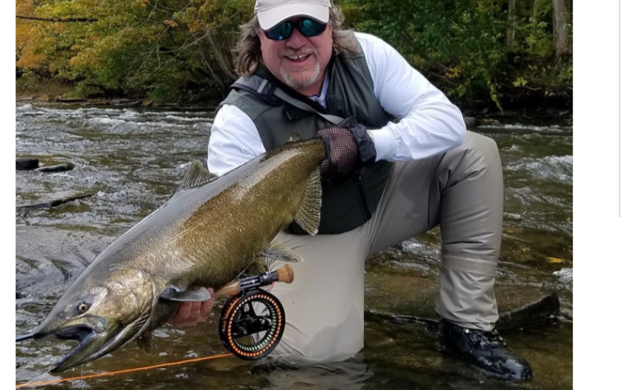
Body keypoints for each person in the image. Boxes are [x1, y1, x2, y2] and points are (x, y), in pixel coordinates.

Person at [169, 0, 533, 382]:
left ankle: (467, 326)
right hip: (310, 239)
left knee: (473, 154)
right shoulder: (238, 119)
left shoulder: (368, 55)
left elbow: (447, 121)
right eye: (279, 30)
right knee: (316, 367)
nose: (296, 40)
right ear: (258, 37)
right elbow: (229, 229)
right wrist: (198, 285)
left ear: (331, 26)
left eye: (309, 24)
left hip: (383, 200)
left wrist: (370, 144)